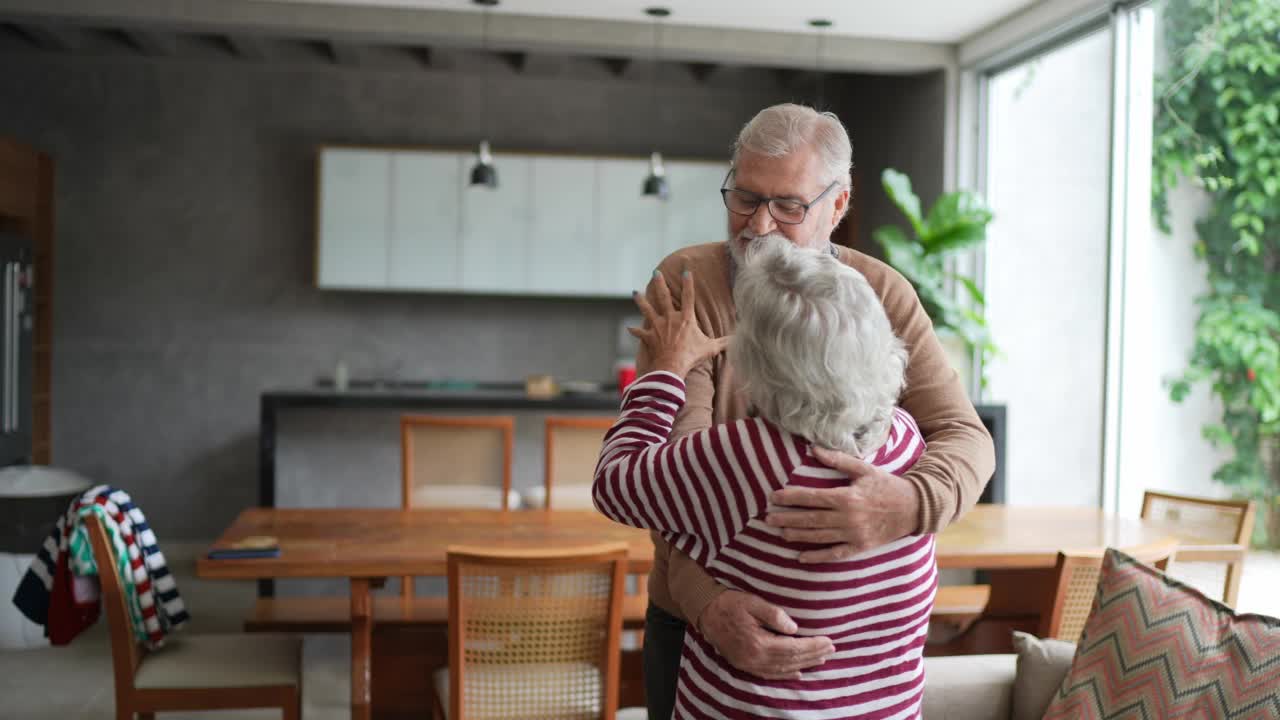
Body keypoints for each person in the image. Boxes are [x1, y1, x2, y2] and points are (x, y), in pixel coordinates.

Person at [637, 103, 995, 719]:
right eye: (744, 197)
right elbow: (672, 477)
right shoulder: (687, 281)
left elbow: (965, 436)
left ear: (839, 203)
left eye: (789, 205)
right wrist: (706, 602)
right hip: (696, 630)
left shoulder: (882, 294)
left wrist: (909, 504)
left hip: (848, 638)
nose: (759, 226)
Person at [594, 238, 935, 718]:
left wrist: (667, 371)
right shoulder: (907, 443)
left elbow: (614, 483)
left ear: (759, 365)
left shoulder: (748, 458)